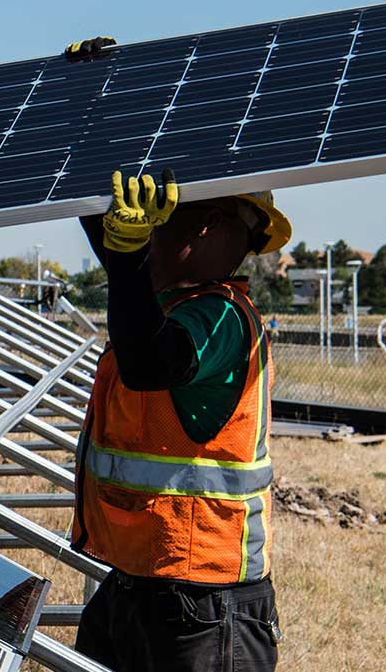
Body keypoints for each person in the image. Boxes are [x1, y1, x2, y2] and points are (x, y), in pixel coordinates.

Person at [71, 168, 293, 672]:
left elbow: (148, 359)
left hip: (202, 602)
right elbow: (128, 285)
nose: (141, 236)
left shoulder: (220, 317)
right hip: (142, 583)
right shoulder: (171, 304)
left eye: (154, 222)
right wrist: (86, 181)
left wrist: (127, 255)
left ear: (206, 225)